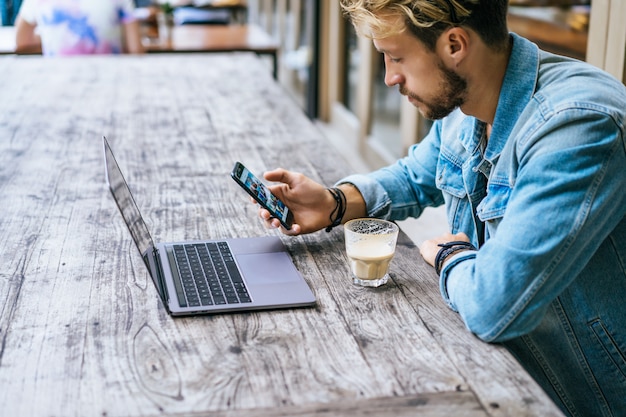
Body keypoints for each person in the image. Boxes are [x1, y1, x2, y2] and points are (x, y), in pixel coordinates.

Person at [254, 1, 626, 416]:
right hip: (499, 369)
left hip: (580, 394)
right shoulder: (472, 97)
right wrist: (336, 202)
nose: (390, 77)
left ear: (454, 44)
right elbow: (418, 173)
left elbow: (493, 305)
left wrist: (450, 256)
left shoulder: (576, 124)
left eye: (396, 57)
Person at [14, 0, 143, 55]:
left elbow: (23, 41)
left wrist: (54, 36)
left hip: (55, 83)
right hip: (111, 84)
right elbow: (135, 49)